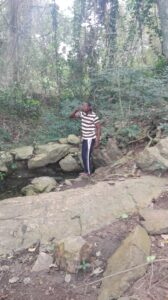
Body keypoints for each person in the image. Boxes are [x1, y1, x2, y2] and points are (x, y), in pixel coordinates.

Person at [70, 102, 101, 176]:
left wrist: (97, 140)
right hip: (85, 138)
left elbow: (98, 128)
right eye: (82, 105)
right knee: (84, 155)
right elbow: (71, 117)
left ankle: (88, 173)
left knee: (86, 155)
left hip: (90, 138)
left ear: (89, 107)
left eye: (84, 106)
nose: (82, 107)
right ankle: (87, 171)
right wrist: (75, 110)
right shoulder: (82, 113)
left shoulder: (94, 116)